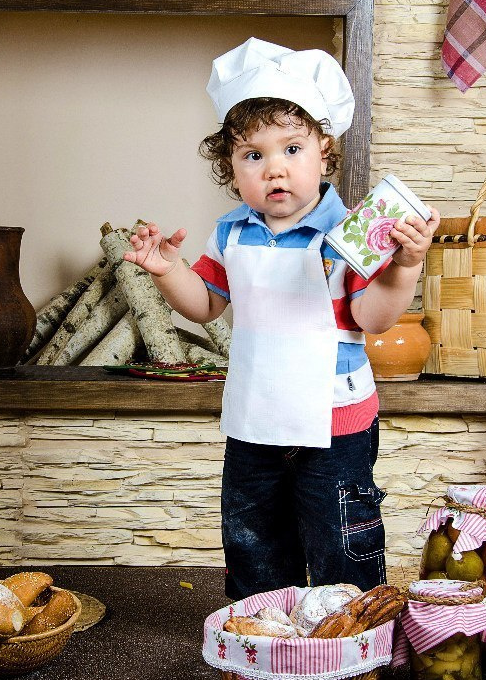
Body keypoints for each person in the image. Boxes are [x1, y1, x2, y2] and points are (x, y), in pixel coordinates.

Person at [123, 38, 439, 599]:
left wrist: (404, 267)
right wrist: (167, 270)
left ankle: (349, 632)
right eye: (253, 155)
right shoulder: (230, 233)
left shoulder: (351, 233)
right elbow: (205, 304)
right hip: (254, 419)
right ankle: (266, 628)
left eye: (292, 149)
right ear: (230, 168)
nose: (275, 168)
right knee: (256, 542)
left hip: (334, 422)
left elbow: (372, 318)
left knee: (339, 543)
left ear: (324, 150)